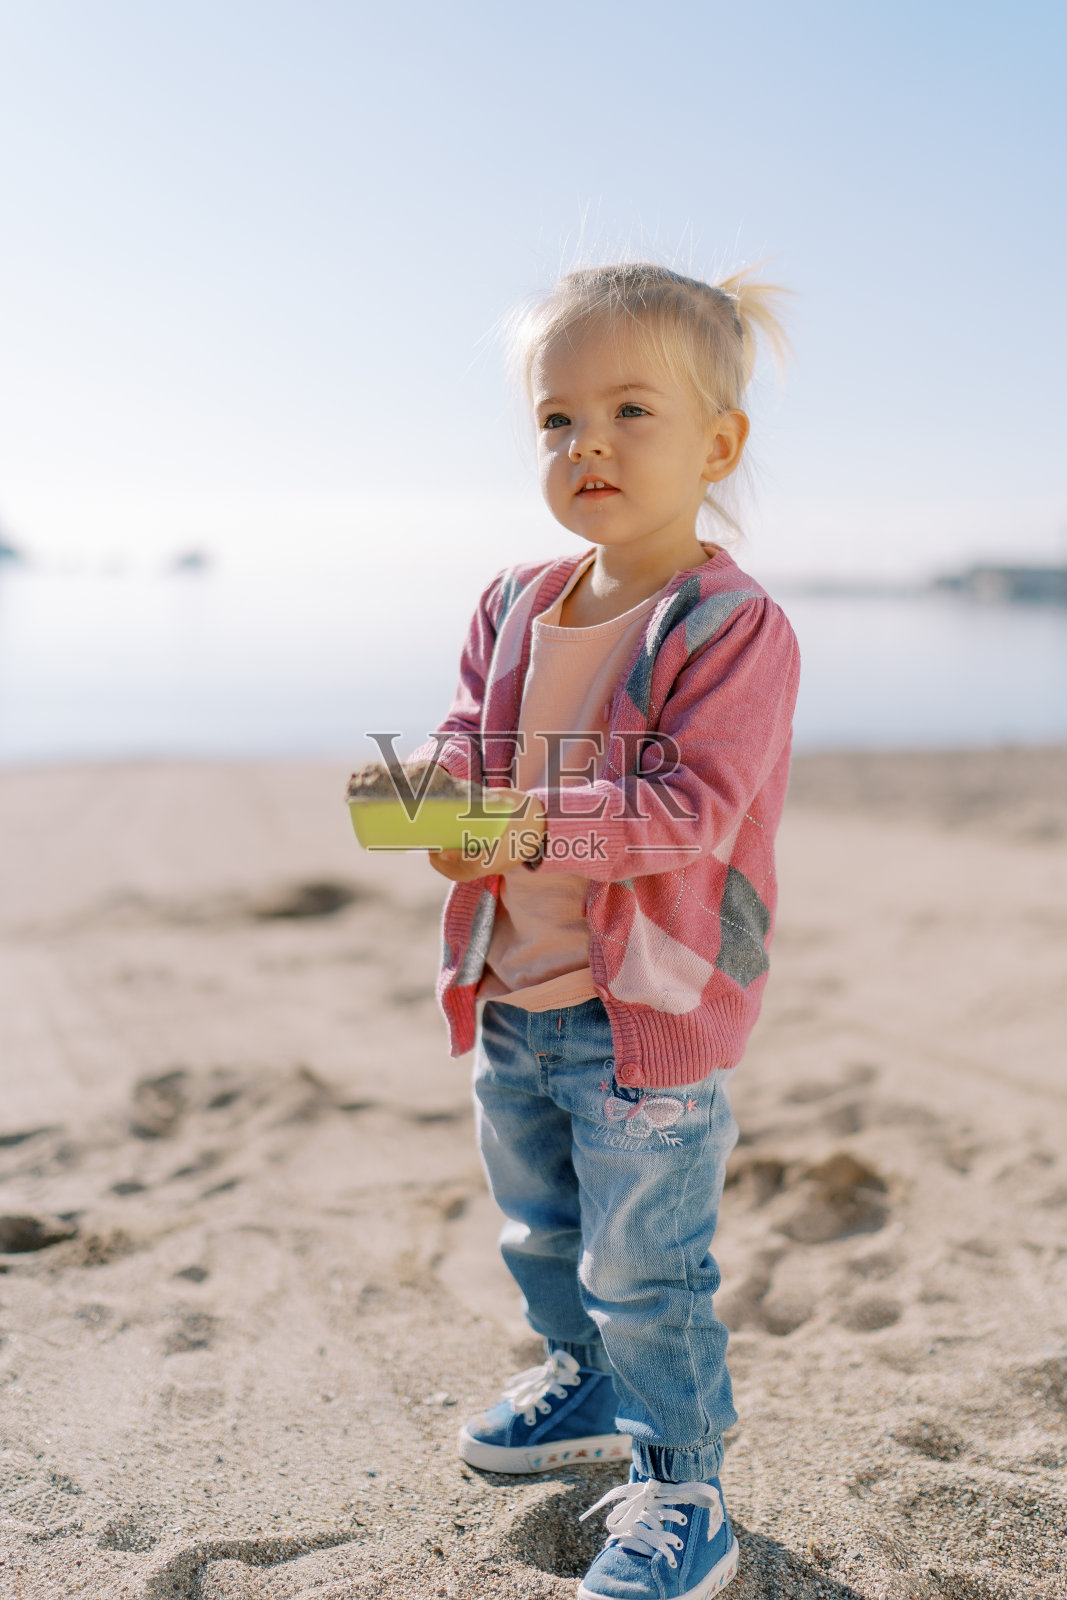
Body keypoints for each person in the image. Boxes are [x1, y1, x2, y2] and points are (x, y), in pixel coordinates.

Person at [406, 261, 800, 1600]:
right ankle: (579, 1385)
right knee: (540, 1226)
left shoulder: (731, 626)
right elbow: (473, 738)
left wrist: (518, 826)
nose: (589, 446)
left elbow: (689, 807)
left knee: (648, 1263)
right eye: (558, 419)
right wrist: (440, 796)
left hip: (649, 1013)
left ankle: (683, 1482)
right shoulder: (513, 603)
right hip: (514, 992)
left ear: (718, 444)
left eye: (633, 411)